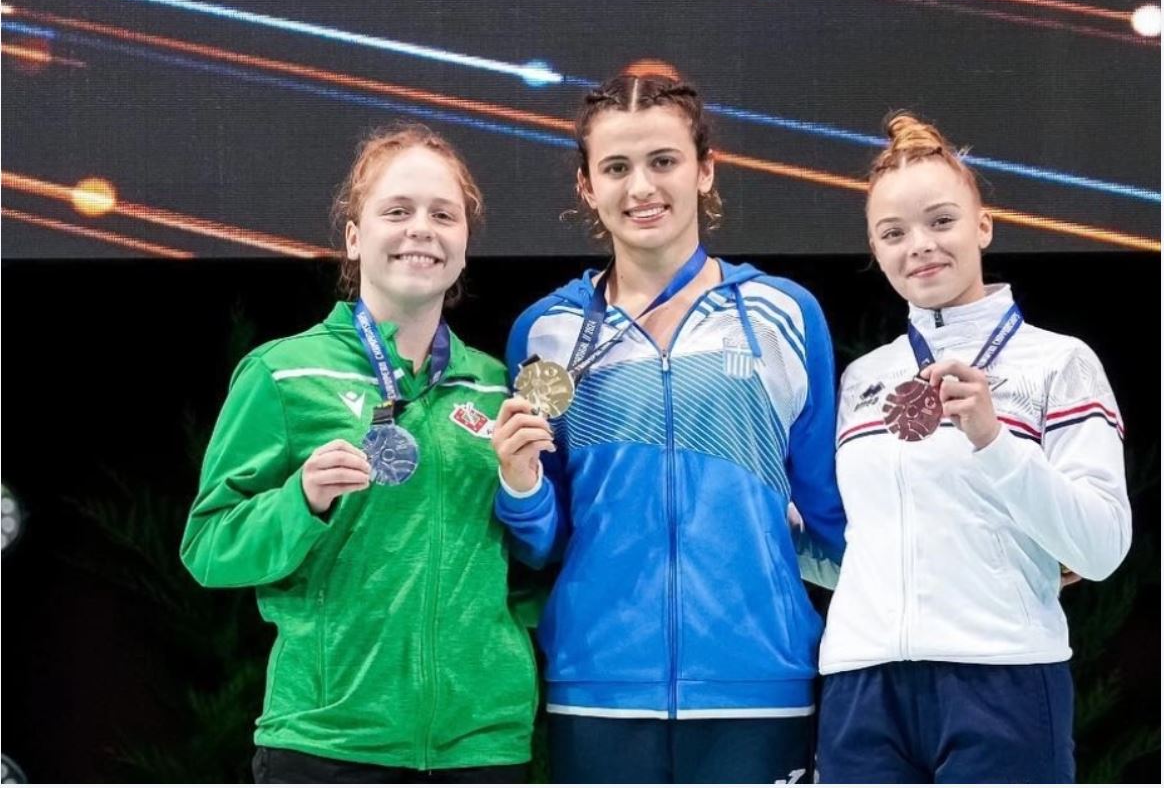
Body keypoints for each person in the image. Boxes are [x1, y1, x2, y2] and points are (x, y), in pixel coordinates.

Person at [490, 73, 846, 784]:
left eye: (663, 161)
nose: (642, 187)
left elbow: (832, 512)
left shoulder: (784, 314)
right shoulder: (547, 331)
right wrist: (519, 485)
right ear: (587, 186)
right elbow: (543, 541)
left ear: (705, 170)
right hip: (597, 683)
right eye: (616, 168)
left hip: (760, 679)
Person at [181, 124, 537, 783]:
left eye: (443, 215)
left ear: (464, 245)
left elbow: (531, 570)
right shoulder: (284, 374)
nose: (421, 229)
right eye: (397, 211)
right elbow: (209, 547)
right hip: (328, 743)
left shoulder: (497, 388)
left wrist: (529, 495)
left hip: (483, 748)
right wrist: (302, 500)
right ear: (353, 236)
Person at [816, 113, 1132, 783]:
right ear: (875, 249)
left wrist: (993, 439)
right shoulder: (861, 378)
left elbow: (1101, 548)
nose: (920, 246)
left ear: (982, 226)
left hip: (1003, 679)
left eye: (941, 221)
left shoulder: (1059, 362)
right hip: (861, 684)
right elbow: (864, 546)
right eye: (894, 233)